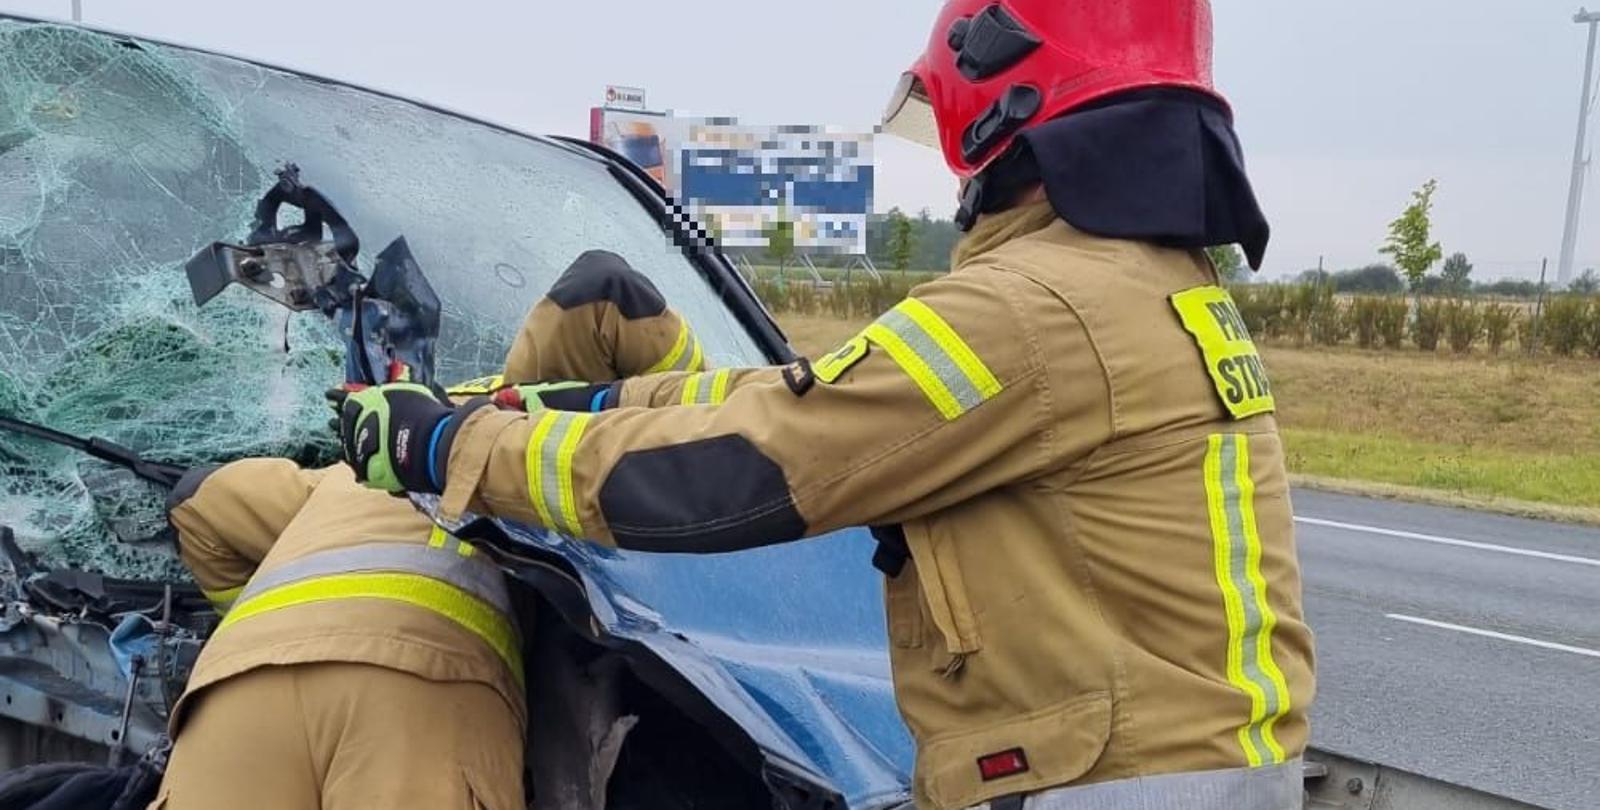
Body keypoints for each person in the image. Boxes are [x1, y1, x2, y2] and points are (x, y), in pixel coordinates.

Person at [333, 2, 1316, 808]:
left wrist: (450, 447)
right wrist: (598, 398)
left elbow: (748, 465)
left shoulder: (1031, 309)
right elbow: (815, 395)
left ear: (1003, 100)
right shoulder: (1136, 288)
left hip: (1109, 788)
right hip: (1179, 777)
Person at [151, 250, 703, 809]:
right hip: (420, 696)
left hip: (242, 690)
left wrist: (270, 626)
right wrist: (688, 433)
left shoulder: (361, 465)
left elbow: (200, 505)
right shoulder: (532, 456)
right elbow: (604, 285)